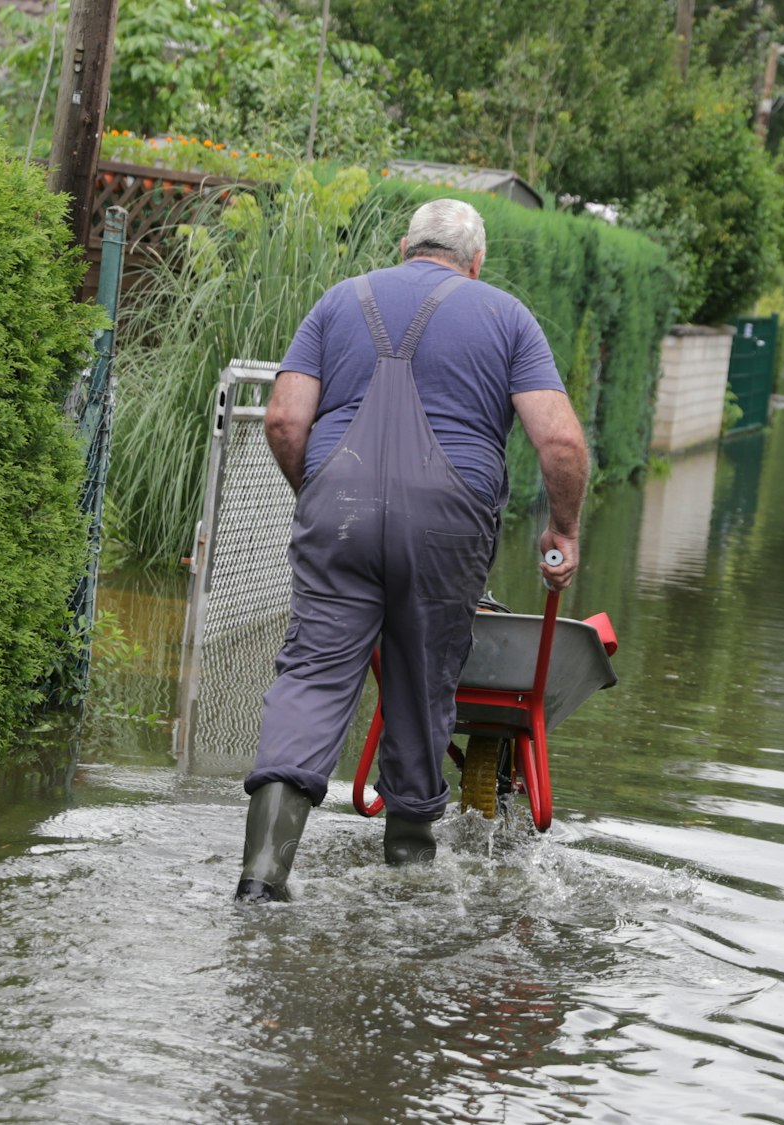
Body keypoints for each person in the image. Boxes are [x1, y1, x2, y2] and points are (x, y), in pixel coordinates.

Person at [235, 198, 591, 903]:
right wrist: (564, 529)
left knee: (311, 675)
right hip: (447, 524)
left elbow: (282, 419)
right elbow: (561, 443)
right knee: (425, 683)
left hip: (337, 515)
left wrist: (321, 492)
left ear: (404, 246)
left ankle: (261, 877)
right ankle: (409, 868)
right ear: (476, 261)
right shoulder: (506, 315)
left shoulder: (339, 302)